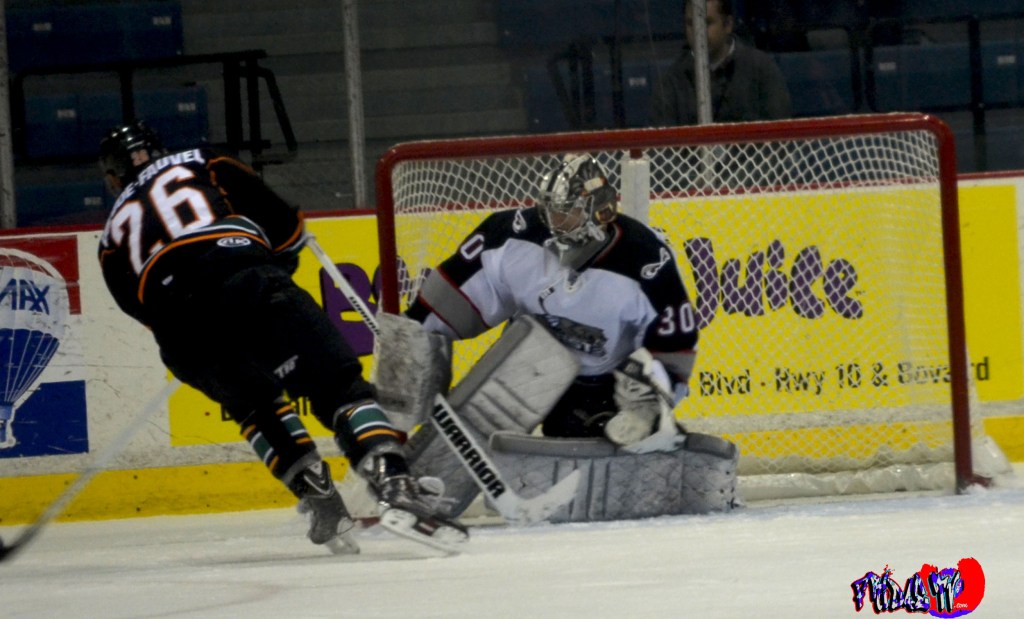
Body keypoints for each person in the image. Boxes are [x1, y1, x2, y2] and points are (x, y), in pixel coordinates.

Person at [96, 120, 466, 552]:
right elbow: (284, 228)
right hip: (246, 281)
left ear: (111, 177)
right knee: (338, 387)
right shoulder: (202, 161)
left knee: (256, 407)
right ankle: (394, 484)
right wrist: (273, 265)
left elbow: (146, 314)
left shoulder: (108, 240)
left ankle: (320, 501)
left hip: (182, 331)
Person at [404, 154, 699, 446]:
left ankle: (644, 436)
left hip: (605, 380)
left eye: (565, 212)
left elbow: (676, 345)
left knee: (583, 432)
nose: (552, 222)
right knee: (477, 418)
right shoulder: (512, 235)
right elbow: (455, 293)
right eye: (550, 210)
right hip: (532, 360)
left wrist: (651, 403)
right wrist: (417, 334)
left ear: (600, 211)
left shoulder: (646, 260)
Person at [649, 0, 792, 125]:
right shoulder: (672, 81)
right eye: (690, 24)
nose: (698, 32)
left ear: (728, 24)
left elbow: (779, 140)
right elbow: (663, 151)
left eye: (707, 22)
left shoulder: (761, 70)